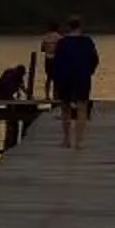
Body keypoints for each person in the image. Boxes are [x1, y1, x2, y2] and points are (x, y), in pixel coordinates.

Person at [48, 14, 100, 148]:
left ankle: (66, 140)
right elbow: (95, 59)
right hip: (82, 77)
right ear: (80, 26)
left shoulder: (62, 43)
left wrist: (57, 78)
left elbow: (56, 63)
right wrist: (89, 71)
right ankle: (79, 141)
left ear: (68, 27)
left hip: (65, 78)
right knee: (82, 109)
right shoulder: (87, 42)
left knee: (65, 109)